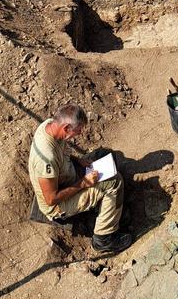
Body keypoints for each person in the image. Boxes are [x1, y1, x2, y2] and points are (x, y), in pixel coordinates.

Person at [28, 103, 132, 255]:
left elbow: (62, 153)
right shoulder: (46, 158)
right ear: (66, 128)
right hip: (58, 204)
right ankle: (103, 239)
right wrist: (83, 183)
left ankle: (105, 210)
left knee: (105, 155)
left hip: (68, 175)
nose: (81, 133)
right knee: (114, 182)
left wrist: (79, 161)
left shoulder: (50, 126)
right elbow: (51, 199)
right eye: (78, 130)